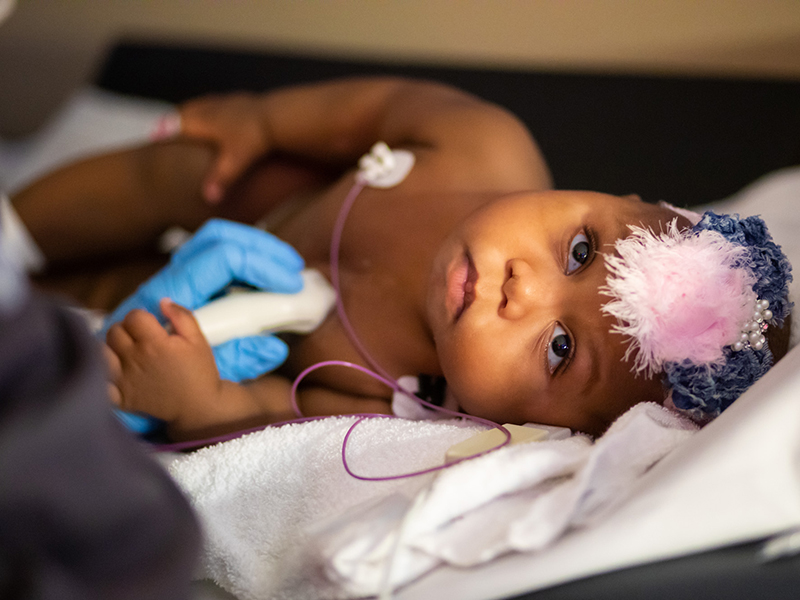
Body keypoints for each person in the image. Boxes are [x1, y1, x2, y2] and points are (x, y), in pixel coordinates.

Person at [20, 77, 792, 443]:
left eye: (560, 350)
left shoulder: (386, 398)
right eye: (580, 251)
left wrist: (201, 404)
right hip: (258, 206)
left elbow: (271, 414)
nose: (521, 289)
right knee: (196, 170)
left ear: (547, 426)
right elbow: (380, 109)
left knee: (147, 326)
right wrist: (262, 119)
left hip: (199, 305)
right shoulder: (483, 148)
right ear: (618, 194)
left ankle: (36, 295)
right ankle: (12, 233)